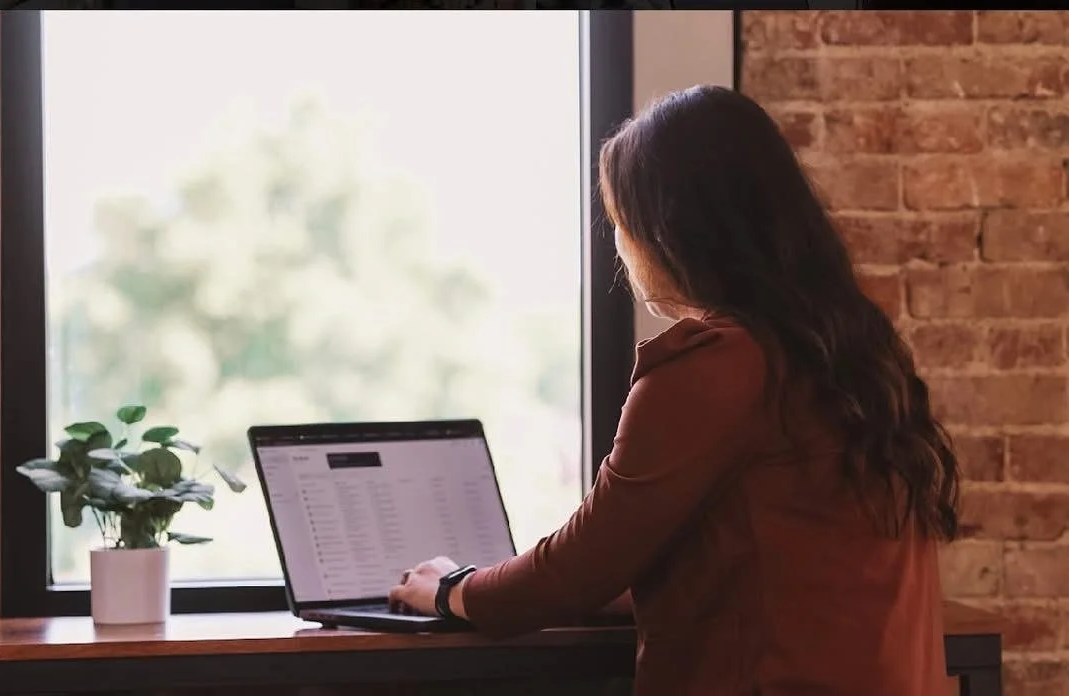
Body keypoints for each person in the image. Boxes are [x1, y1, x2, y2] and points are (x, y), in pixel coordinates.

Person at [389, 85, 960, 696]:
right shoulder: (853, 350)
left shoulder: (715, 366)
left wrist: (451, 590)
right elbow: (756, 565)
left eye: (619, 221)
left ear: (670, 231)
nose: (618, 244)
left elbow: (576, 569)